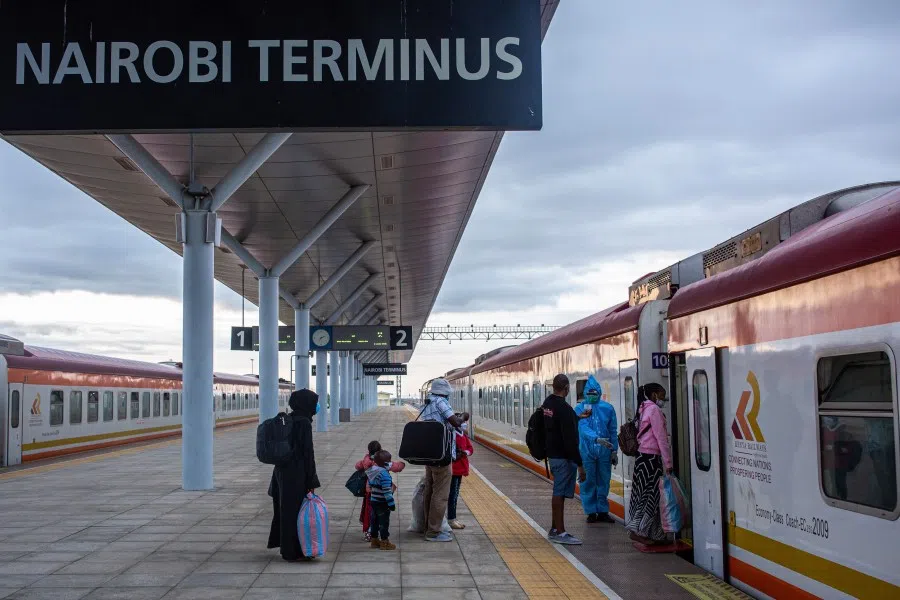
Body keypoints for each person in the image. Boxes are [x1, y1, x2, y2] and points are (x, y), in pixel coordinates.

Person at [267, 389, 321, 561]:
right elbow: (308, 454)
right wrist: (311, 480)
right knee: (296, 513)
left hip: (282, 472)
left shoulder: (289, 419)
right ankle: (294, 551)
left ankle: (288, 549)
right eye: (314, 402)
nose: (316, 405)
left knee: (285, 511)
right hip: (297, 474)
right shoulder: (304, 423)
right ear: (307, 404)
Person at [624, 383, 673, 545]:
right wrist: (668, 463)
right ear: (653, 395)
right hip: (651, 460)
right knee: (650, 497)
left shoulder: (643, 407)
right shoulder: (654, 410)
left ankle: (654, 533)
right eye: (661, 395)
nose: (663, 399)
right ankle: (639, 531)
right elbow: (661, 438)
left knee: (642, 495)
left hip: (642, 460)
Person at [543, 374, 585, 545]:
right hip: (563, 457)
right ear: (567, 388)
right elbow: (570, 440)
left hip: (552, 455)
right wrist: (581, 465)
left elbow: (557, 423)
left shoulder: (548, 404)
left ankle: (555, 528)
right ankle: (560, 532)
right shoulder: (565, 409)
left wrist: (578, 418)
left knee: (558, 491)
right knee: (559, 492)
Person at [420, 378, 463, 542]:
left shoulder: (428, 402)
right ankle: (433, 532)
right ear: (445, 392)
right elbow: (455, 423)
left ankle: (427, 526)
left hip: (429, 454)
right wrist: (463, 417)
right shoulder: (441, 402)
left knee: (430, 491)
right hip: (442, 455)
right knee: (441, 494)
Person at [574, 375, 618, 523]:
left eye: (594, 393)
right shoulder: (580, 409)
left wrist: (614, 451)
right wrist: (596, 438)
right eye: (589, 393)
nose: (592, 396)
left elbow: (613, 430)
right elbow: (582, 427)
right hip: (586, 451)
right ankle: (591, 511)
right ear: (585, 393)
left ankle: (603, 511)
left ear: (599, 393)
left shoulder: (608, 408)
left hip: (605, 451)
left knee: (604, 481)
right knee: (587, 481)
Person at [356, 441, 406, 542]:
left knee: (370, 512)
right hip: (382, 494)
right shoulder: (384, 463)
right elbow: (398, 467)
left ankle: (370, 532)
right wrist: (402, 464)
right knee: (383, 516)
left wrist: (363, 464)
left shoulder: (366, 460)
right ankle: (383, 538)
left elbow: (357, 466)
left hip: (370, 491)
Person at [365, 450, 397, 550]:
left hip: (373, 501)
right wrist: (391, 504)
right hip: (383, 503)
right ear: (386, 463)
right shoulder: (385, 475)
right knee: (384, 522)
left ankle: (374, 541)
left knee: (374, 521)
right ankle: (384, 542)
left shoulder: (372, 472)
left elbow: (369, 485)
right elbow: (387, 492)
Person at [447, 423, 474, 530]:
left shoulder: (463, 434)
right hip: (454, 469)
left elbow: (470, 448)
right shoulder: (451, 434)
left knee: (455, 494)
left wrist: (465, 452)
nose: (464, 424)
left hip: (460, 469)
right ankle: (451, 519)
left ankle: (453, 518)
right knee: (452, 495)